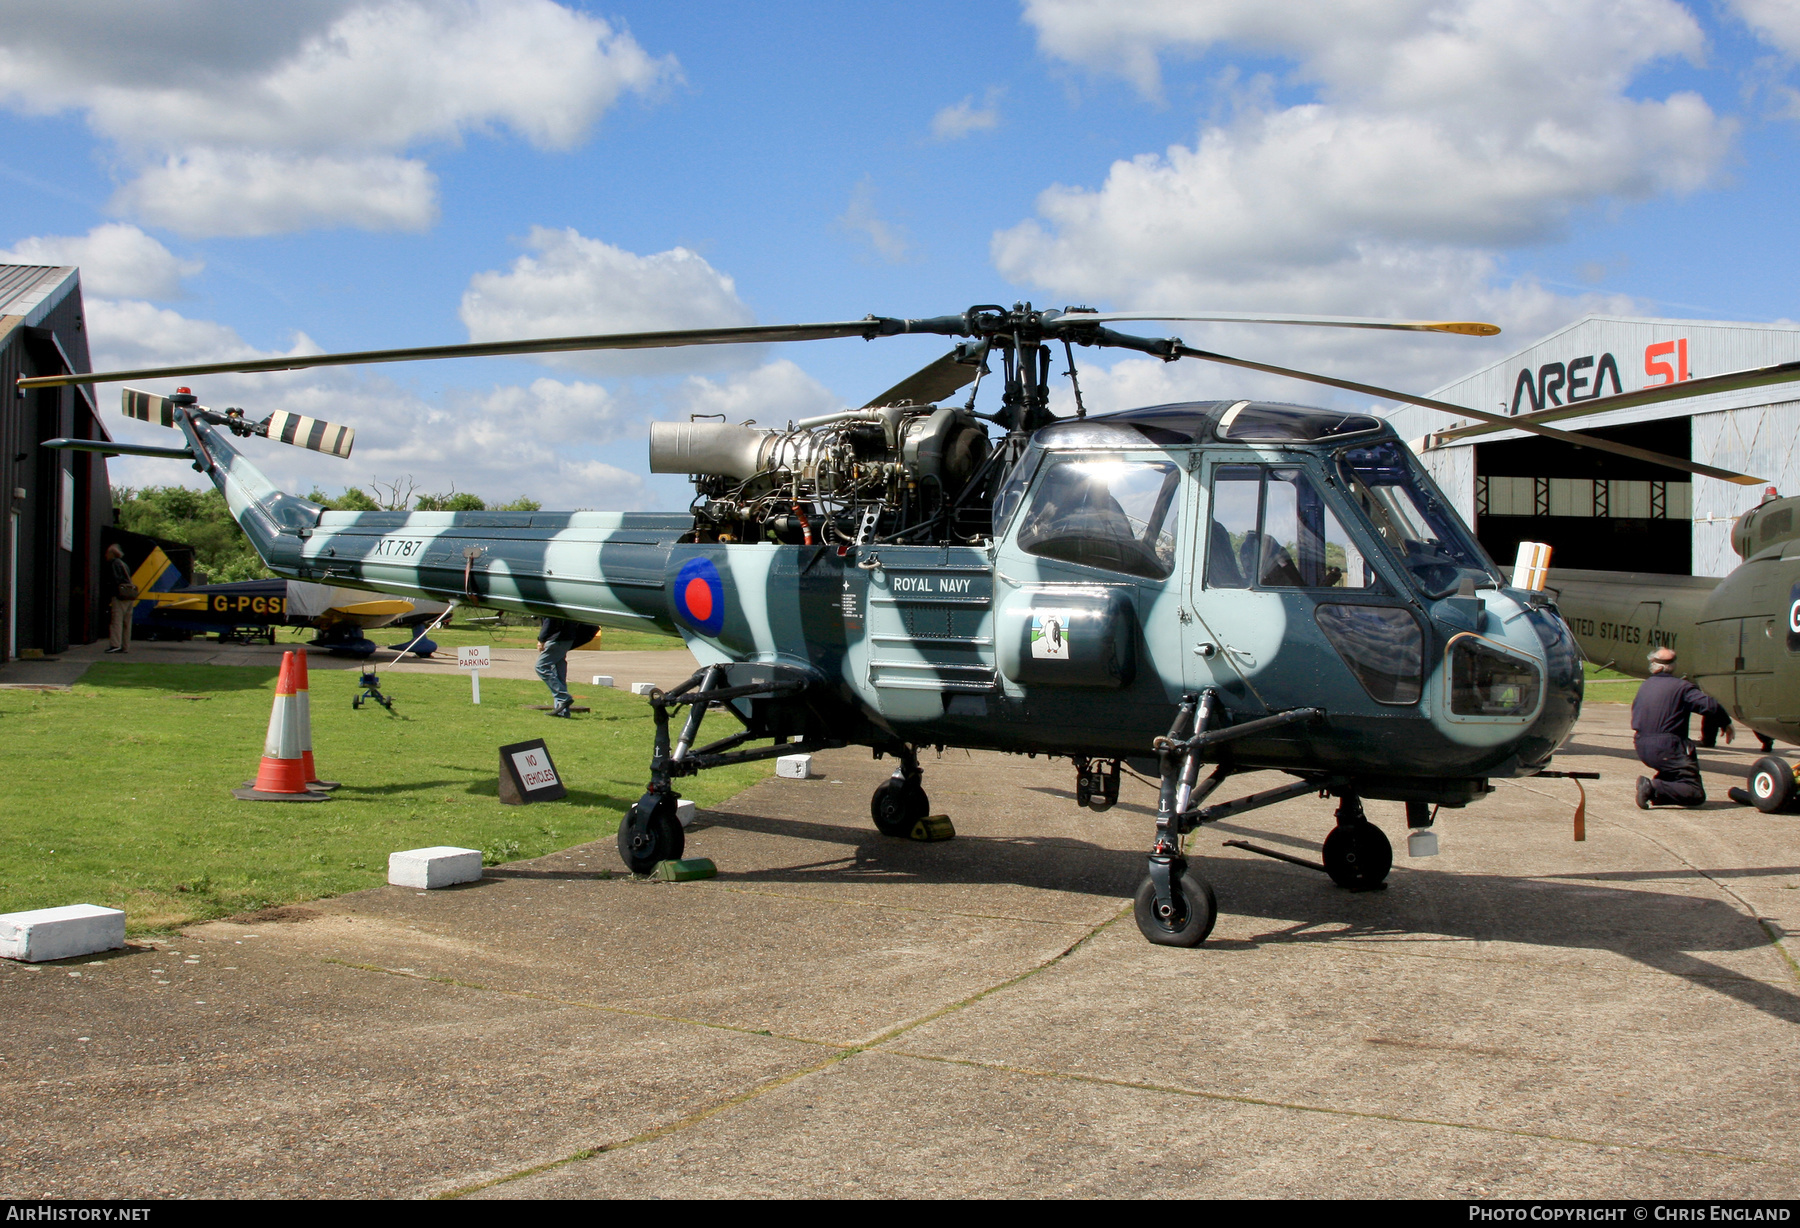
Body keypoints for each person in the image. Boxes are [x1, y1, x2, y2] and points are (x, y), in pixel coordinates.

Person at [1631, 646, 1731, 808]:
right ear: (1673, 665)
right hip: (1668, 747)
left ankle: (1657, 792)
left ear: (1653, 664)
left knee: (1674, 776)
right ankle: (1653, 787)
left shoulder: (1645, 686)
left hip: (1642, 746)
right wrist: (1725, 722)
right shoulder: (1682, 687)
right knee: (1695, 791)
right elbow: (1710, 706)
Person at [535, 617, 599, 717]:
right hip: (567, 638)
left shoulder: (548, 605)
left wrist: (541, 639)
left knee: (541, 667)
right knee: (559, 674)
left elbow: (549, 621)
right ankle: (563, 711)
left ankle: (563, 698)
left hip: (557, 639)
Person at [105, 544, 135, 654]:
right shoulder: (124, 564)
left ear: (111, 554)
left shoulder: (114, 564)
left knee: (117, 620)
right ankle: (125, 646)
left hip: (120, 595)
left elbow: (116, 580)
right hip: (130, 594)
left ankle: (115, 644)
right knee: (127, 622)